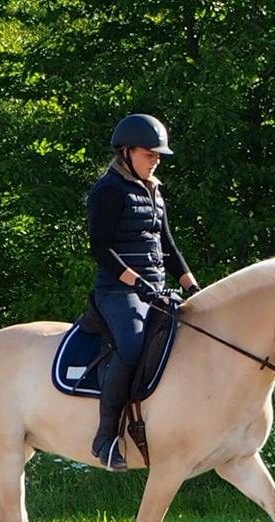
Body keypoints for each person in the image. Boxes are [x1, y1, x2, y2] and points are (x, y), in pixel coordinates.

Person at [86, 113, 200, 472]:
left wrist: (192, 286)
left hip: (154, 290)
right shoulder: (108, 190)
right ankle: (105, 439)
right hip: (117, 292)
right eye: (150, 154)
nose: (156, 160)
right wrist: (135, 281)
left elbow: (167, 245)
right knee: (133, 347)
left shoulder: (153, 189)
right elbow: (100, 249)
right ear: (127, 152)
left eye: (158, 156)